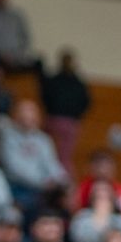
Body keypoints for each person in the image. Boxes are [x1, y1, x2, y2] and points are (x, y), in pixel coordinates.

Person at [0, 100, 68, 215]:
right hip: (17, 186)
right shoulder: (7, 136)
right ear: (16, 115)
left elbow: (51, 163)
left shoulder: (43, 139)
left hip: (44, 188)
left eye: (31, 113)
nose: (28, 117)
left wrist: (62, 179)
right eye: (24, 113)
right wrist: (43, 182)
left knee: (63, 200)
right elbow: (13, 167)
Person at [36, 49, 91, 179]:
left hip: (60, 120)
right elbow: (86, 101)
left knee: (60, 156)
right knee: (56, 155)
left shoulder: (67, 81)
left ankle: (63, 186)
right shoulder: (77, 83)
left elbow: (45, 95)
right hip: (61, 120)